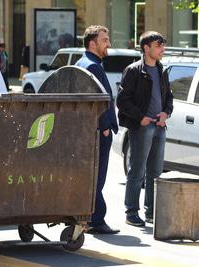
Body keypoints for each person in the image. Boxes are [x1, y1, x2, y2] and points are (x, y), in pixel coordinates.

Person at [117, 31, 173, 227]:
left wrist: (166, 113)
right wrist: (140, 117)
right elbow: (122, 100)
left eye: (162, 45)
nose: (162, 49)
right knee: (137, 170)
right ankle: (131, 212)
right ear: (146, 48)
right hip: (142, 127)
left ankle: (151, 212)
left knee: (156, 172)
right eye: (158, 45)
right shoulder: (133, 71)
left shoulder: (161, 70)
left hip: (159, 126)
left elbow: (169, 98)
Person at [76, 25, 119, 234]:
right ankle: (96, 219)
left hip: (88, 131)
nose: (108, 44)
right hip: (97, 131)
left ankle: (88, 216)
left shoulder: (83, 62)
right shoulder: (93, 66)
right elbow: (97, 101)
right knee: (97, 177)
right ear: (92, 43)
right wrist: (104, 128)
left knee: (91, 176)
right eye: (104, 40)